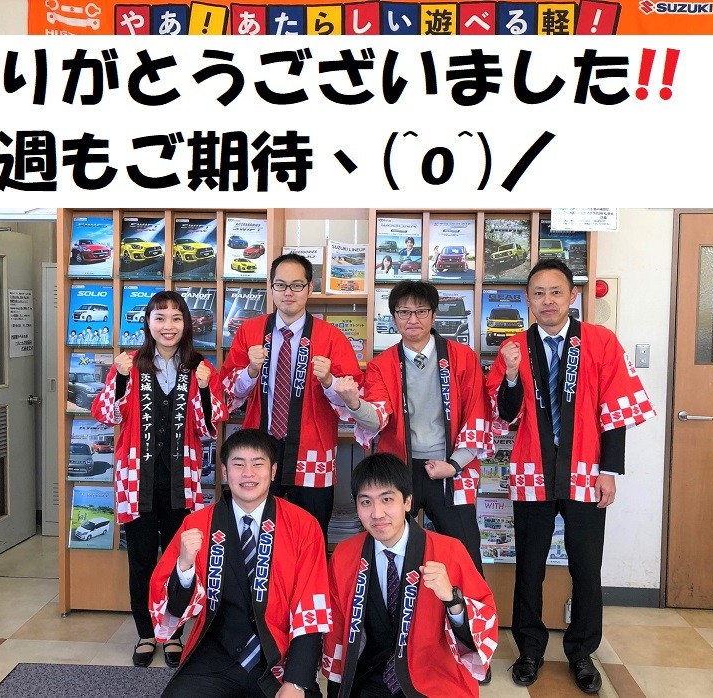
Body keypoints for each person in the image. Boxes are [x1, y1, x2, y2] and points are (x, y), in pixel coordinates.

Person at [485, 260, 656, 693]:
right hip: (532, 471)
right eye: (538, 293)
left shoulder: (600, 342)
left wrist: (609, 471)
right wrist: (509, 375)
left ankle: (582, 653)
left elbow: (615, 410)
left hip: (586, 471)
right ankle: (529, 650)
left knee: (586, 567)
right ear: (528, 299)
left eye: (556, 292)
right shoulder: (513, 348)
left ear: (572, 296)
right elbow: (504, 417)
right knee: (529, 567)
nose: (547, 301)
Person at [91, 290, 226, 669]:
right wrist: (119, 378)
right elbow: (105, 413)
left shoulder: (200, 367)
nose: (168, 326)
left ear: (187, 324)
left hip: (183, 482)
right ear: (147, 323)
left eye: (176, 318)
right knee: (141, 560)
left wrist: (203, 388)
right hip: (136, 481)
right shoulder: (130, 364)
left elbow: (209, 427)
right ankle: (146, 633)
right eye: (160, 318)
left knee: (180, 560)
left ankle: (174, 631)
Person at [149, 428, 330, 698]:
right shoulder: (197, 525)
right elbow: (172, 610)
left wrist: (295, 681)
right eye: (238, 464)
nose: (248, 473)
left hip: (278, 658)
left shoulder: (303, 526)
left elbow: (312, 606)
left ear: (273, 471)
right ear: (224, 472)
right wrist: (184, 567)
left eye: (258, 464)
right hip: (214, 657)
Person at [333, 280, 493, 575]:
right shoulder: (382, 365)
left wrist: (455, 464)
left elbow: (477, 415)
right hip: (399, 468)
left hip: (449, 467)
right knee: (389, 551)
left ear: (434, 314)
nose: (413, 319)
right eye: (404, 312)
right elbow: (377, 418)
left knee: (466, 552)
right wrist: (354, 403)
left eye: (421, 311)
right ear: (394, 317)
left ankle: (469, 606)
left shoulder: (462, 358)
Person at [322, 453, 497, 697]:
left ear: (407, 502)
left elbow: (485, 620)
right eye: (366, 502)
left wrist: (452, 599)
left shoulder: (449, 551)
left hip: (432, 678)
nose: (377, 513)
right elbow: (336, 629)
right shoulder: (345, 555)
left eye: (387, 499)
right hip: (369, 678)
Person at [220, 253, 363, 543]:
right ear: (271, 287)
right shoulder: (250, 331)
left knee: (311, 534)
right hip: (259, 447)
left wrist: (329, 381)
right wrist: (250, 371)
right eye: (281, 285)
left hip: (312, 449)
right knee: (254, 533)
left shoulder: (331, 337)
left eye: (297, 285)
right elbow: (227, 394)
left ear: (310, 288)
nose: (288, 292)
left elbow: (353, 400)